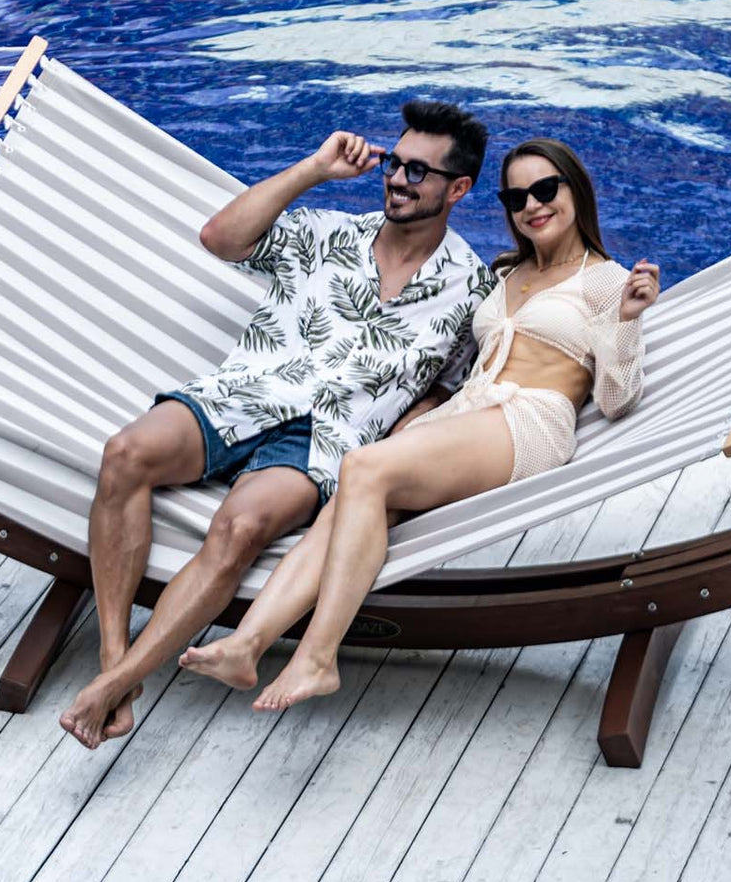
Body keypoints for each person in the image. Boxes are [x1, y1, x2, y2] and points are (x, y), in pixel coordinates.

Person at [59, 101, 493, 749]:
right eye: (395, 163)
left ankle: (114, 682)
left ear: (458, 188)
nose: (398, 180)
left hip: (324, 441)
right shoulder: (325, 231)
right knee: (125, 453)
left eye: (419, 173)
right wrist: (313, 170)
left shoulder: (473, 290)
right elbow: (219, 239)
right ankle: (115, 671)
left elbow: (451, 388)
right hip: (245, 393)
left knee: (240, 529)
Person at [180, 137, 660, 709]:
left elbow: (617, 397)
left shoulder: (607, 280)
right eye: (516, 196)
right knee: (350, 500)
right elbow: (454, 367)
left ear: (574, 191)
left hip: (529, 419)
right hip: (468, 416)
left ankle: (317, 657)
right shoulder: (506, 272)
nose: (531, 204)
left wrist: (627, 321)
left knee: (363, 467)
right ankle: (247, 643)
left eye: (545, 189)